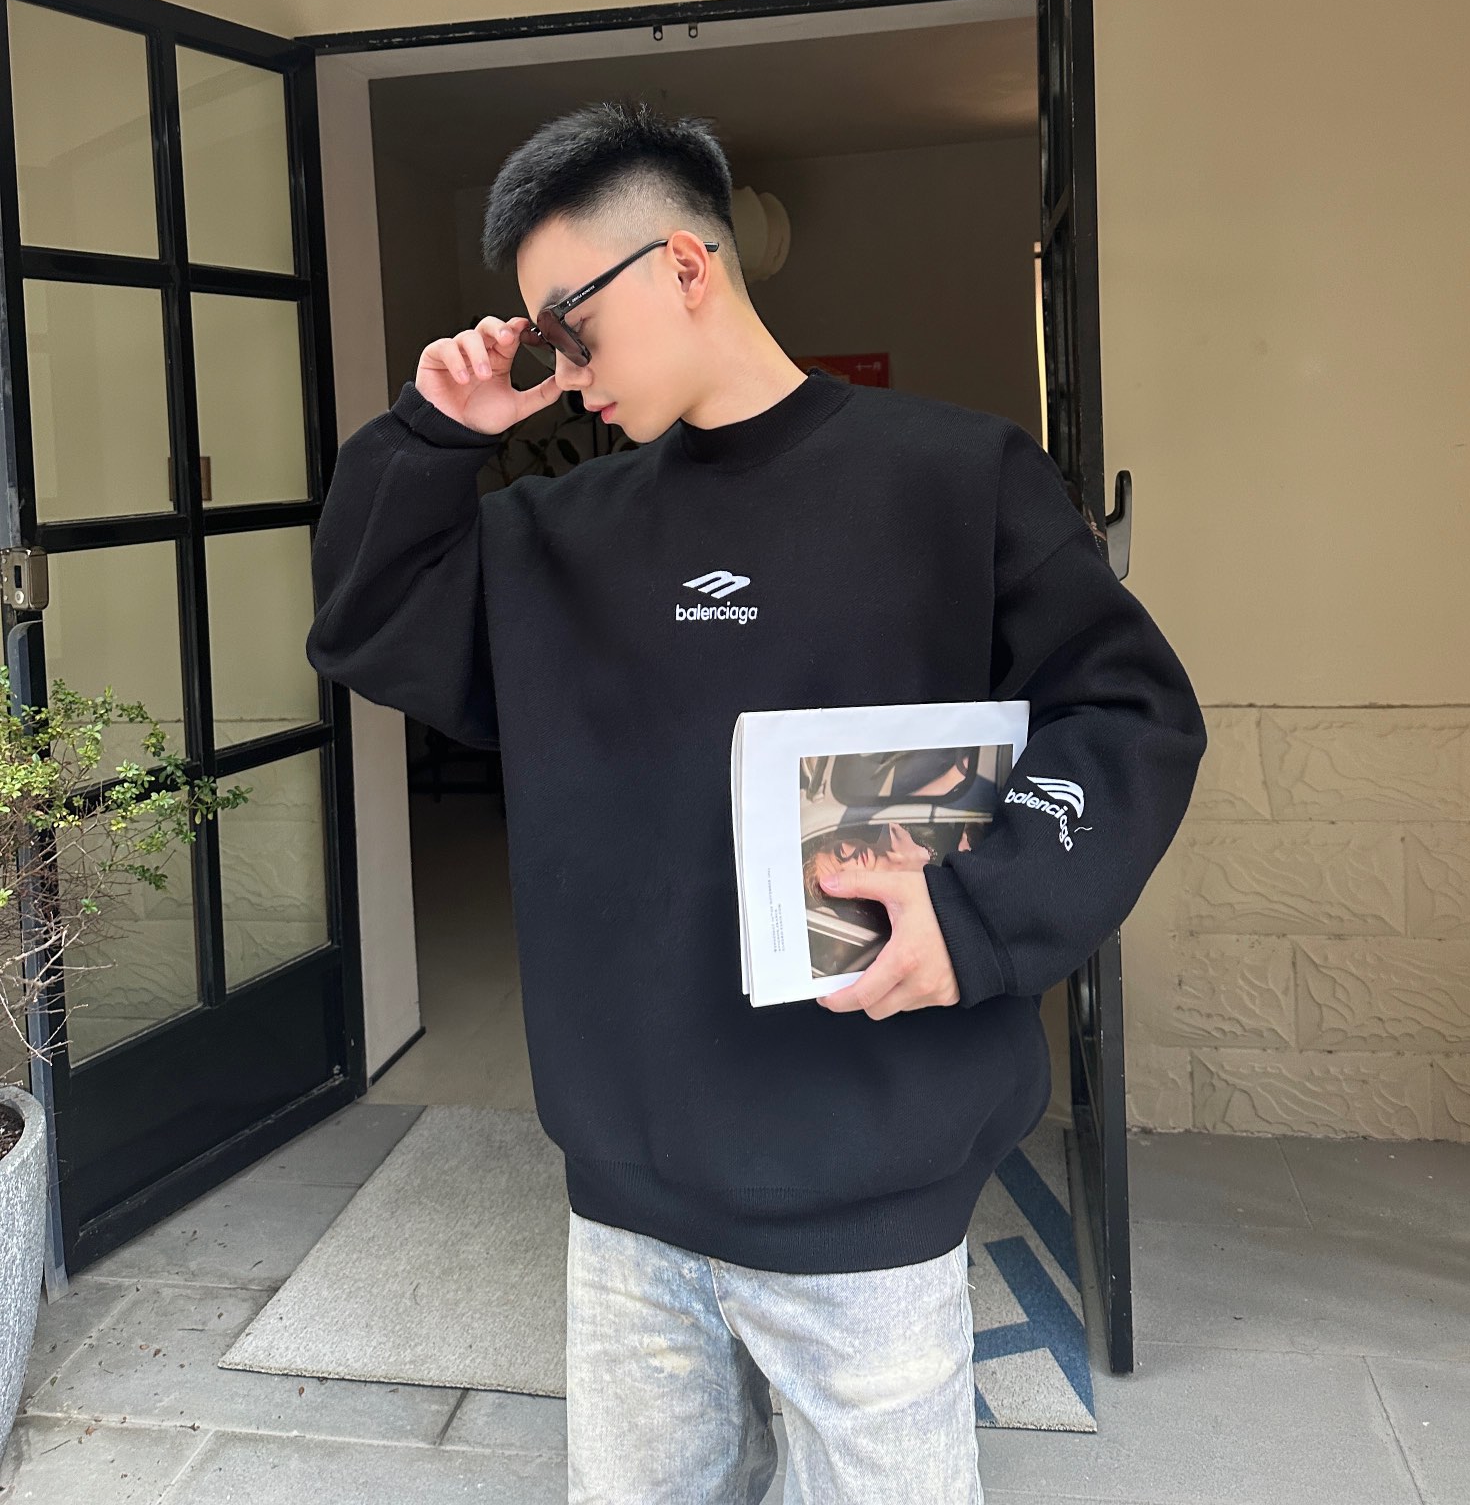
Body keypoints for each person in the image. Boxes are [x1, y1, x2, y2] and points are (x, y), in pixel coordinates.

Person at [305, 99, 1208, 1505]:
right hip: (627, 1204)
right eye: (540, 343)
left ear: (684, 264)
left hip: (872, 1195)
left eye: (570, 328)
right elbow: (365, 629)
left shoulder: (956, 479)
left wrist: (979, 908)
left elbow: (1131, 715)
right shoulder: (554, 538)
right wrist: (434, 433)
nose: (562, 371)